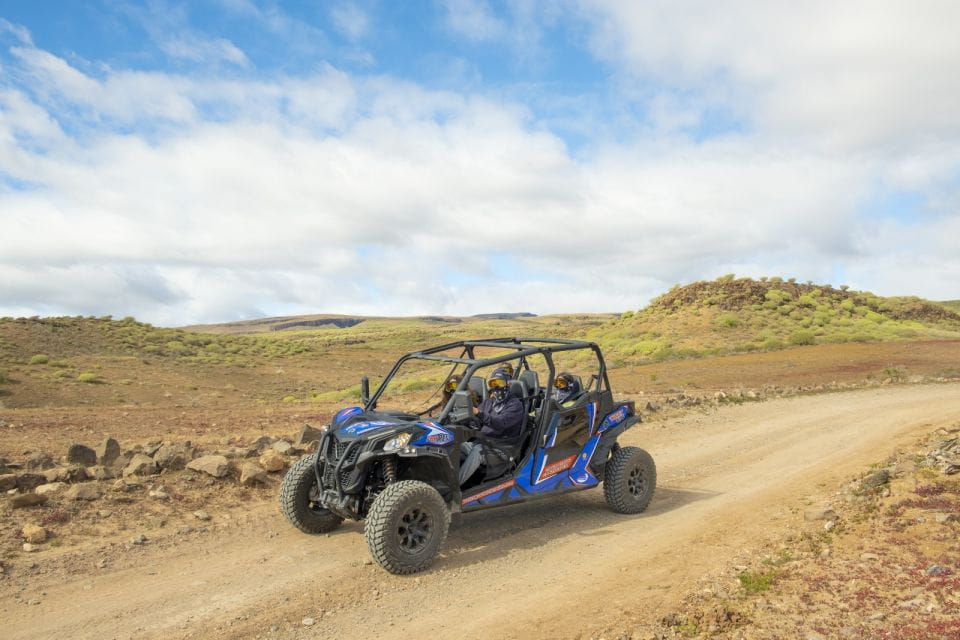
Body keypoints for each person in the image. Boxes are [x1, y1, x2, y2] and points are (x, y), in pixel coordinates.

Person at [458, 367, 525, 486]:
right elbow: (479, 422)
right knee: (456, 445)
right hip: (484, 442)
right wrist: (468, 419)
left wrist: (478, 413)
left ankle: (455, 487)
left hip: (503, 449)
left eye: (499, 383)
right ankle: (443, 481)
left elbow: (500, 424)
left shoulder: (515, 405)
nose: (496, 387)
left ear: (508, 384)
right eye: (493, 383)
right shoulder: (489, 402)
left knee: (478, 452)